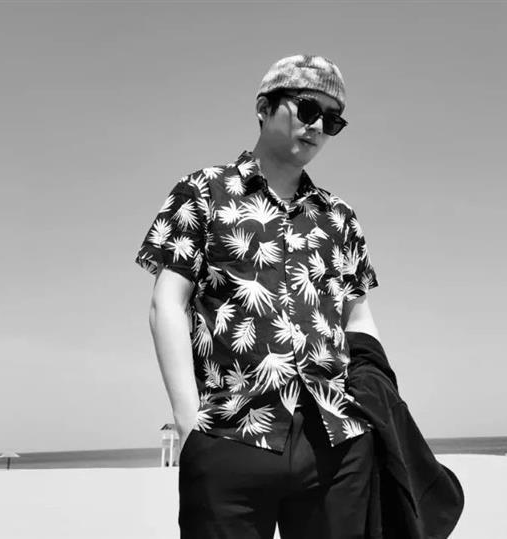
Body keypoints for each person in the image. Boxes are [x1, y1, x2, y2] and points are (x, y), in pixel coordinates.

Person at [135, 55, 382, 538]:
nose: (318, 127)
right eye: (307, 109)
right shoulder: (203, 191)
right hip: (230, 431)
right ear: (264, 107)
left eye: (333, 120)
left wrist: (378, 406)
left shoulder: (340, 216)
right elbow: (167, 304)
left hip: (337, 439)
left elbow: (359, 318)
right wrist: (188, 423)